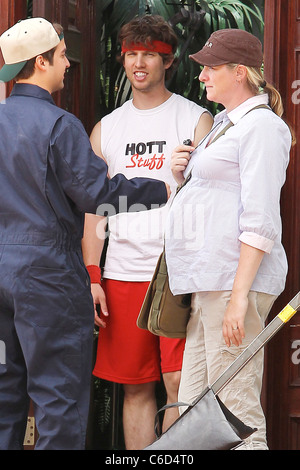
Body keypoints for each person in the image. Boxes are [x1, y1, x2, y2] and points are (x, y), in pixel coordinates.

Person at [0, 17, 169, 451]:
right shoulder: (59, 125)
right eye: (61, 55)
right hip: (47, 278)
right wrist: (162, 188)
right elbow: (100, 196)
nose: (67, 63)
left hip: (2, 273)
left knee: (3, 395)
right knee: (58, 398)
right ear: (40, 62)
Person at [81, 15, 213, 449]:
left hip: (176, 273)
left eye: (149, 55)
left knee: (179, 383)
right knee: (135, 388)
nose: (139, 63)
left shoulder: (196, 120)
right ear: (122, 59)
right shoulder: (107, 129)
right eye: (131, 54)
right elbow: (94, 213)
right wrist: (94, 276)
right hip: (122, 274)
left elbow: (210, 201)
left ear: (167, 60)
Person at [166, 28, 294, 449]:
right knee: (194, 414)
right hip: (210, 284)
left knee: (234, 414)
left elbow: (260, 219)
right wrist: (185, 176)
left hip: (231, 284)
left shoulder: (261, 128)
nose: (201, 75)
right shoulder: (225, 123)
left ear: (239, 72)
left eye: (209, 67)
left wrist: (239, 297)